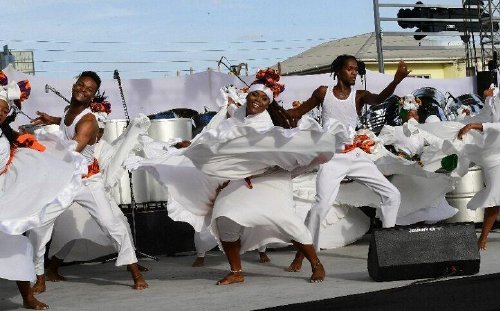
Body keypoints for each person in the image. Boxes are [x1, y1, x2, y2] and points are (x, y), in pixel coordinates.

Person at [182, 68, 347, 285]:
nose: (257, 100)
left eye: (263, 98)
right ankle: (236, 271)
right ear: (247, 96)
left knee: (284, 220)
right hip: (245, 178)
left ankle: (316, 264)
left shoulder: (265, 127)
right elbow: (216, 139)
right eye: (254, 95)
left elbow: (261, 147)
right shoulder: (236, 120)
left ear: (269, 104)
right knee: (224, 216)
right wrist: (192, 146)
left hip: (272, 178)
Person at [286, 55, 409, 270]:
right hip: (331, 158)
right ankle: (305, 253)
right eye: (350, 69)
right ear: (338, 71)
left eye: (356, 70)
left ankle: (386, 246)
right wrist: (272, 111)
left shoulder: (359, 96)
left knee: (392, 194)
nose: (354, 73)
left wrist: (396, 81)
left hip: (355, 155)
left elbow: (379, 98)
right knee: (320, 207)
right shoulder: (323, 93)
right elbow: (297, 112)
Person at [29, 71, 148, 292]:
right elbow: (67, 123)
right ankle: (39, 277)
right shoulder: (68, 111)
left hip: (87, 182)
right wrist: (52, 120)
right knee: (40, 225)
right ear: (74, 85)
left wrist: (35, 146)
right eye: (81, 85)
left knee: (111, 224)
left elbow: (72, 148)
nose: (83, 90)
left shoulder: (89, 120)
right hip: (65, 180)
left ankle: (135, 273)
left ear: (93, 96)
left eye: (89, 89)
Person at [0, 71, 85, 309]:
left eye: (4, 111)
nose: (1, 113)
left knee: (15, 244)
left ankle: (27, 297)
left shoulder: (6, 132)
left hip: (5, 198)